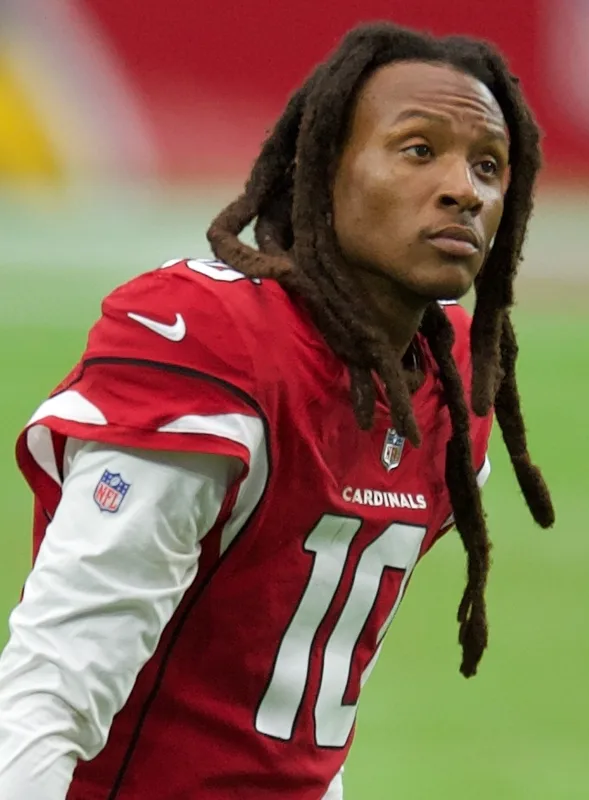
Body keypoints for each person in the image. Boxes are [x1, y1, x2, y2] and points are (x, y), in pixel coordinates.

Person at [0, 21, 554, 800]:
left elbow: (292, 717)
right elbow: (52, 682)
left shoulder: (451, 379)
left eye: (488, 164)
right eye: (418, 149)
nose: (465, 188)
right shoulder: (219, 345)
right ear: (324, 169)